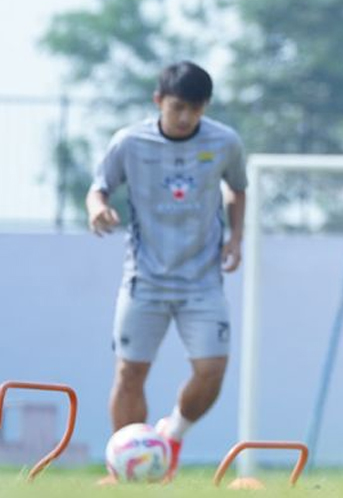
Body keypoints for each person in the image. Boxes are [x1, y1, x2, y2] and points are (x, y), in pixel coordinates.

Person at [87, 61, 247, 483]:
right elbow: (99, 186)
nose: (186, 117)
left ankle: (172, 435)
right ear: (158, 101)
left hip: (202, 279)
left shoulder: (225, 141)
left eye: (196, 108)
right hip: (145, 278)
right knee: (130, 372)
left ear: (205, 107)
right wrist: (98, 209)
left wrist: (236, 238)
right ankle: (124, 465)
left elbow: (237, 188)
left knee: (212, 370)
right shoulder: (129, 142)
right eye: (178, 107)